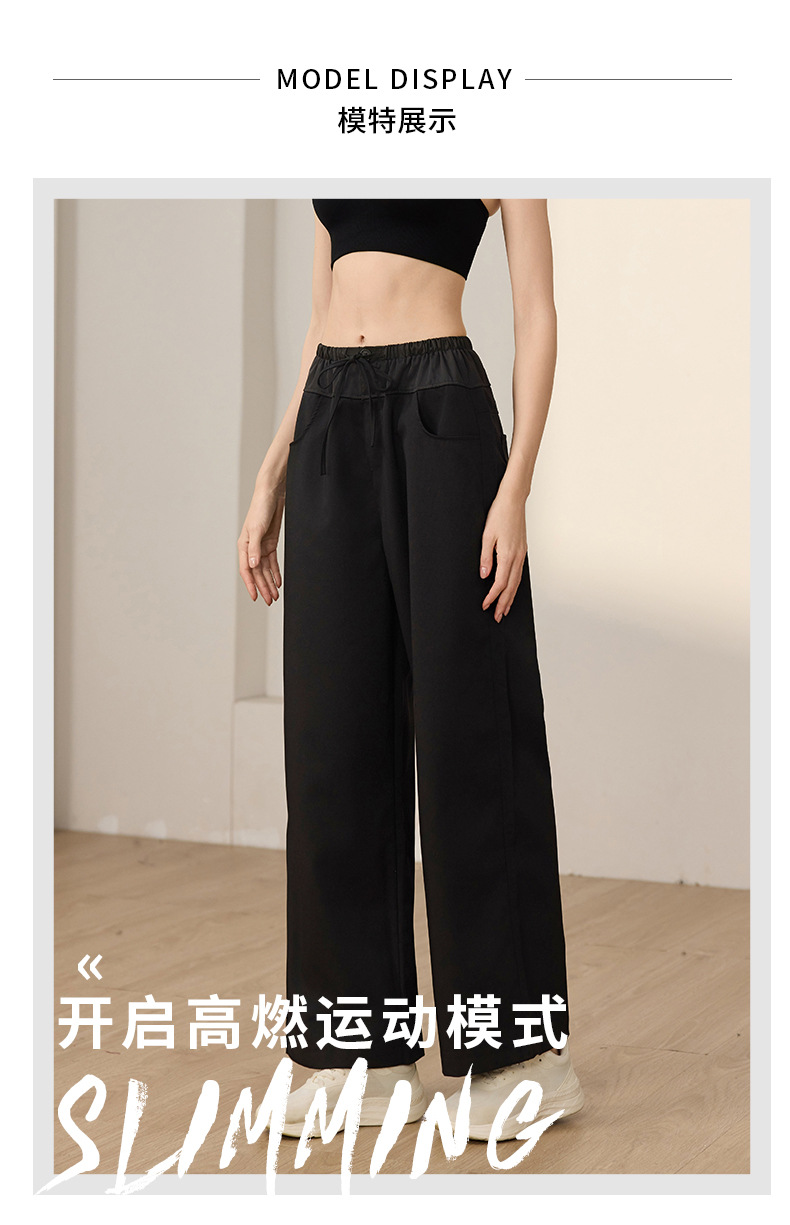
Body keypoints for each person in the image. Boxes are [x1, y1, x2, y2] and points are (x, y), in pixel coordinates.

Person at [237, 198, 584, 1143]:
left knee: (475, 733)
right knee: (333, 741)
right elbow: (320, 323)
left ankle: (518, 1056)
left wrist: (515, 485)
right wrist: (271, 475)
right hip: (329, 419)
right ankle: (360, 1053)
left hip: (442, 412)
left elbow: (537, 311)